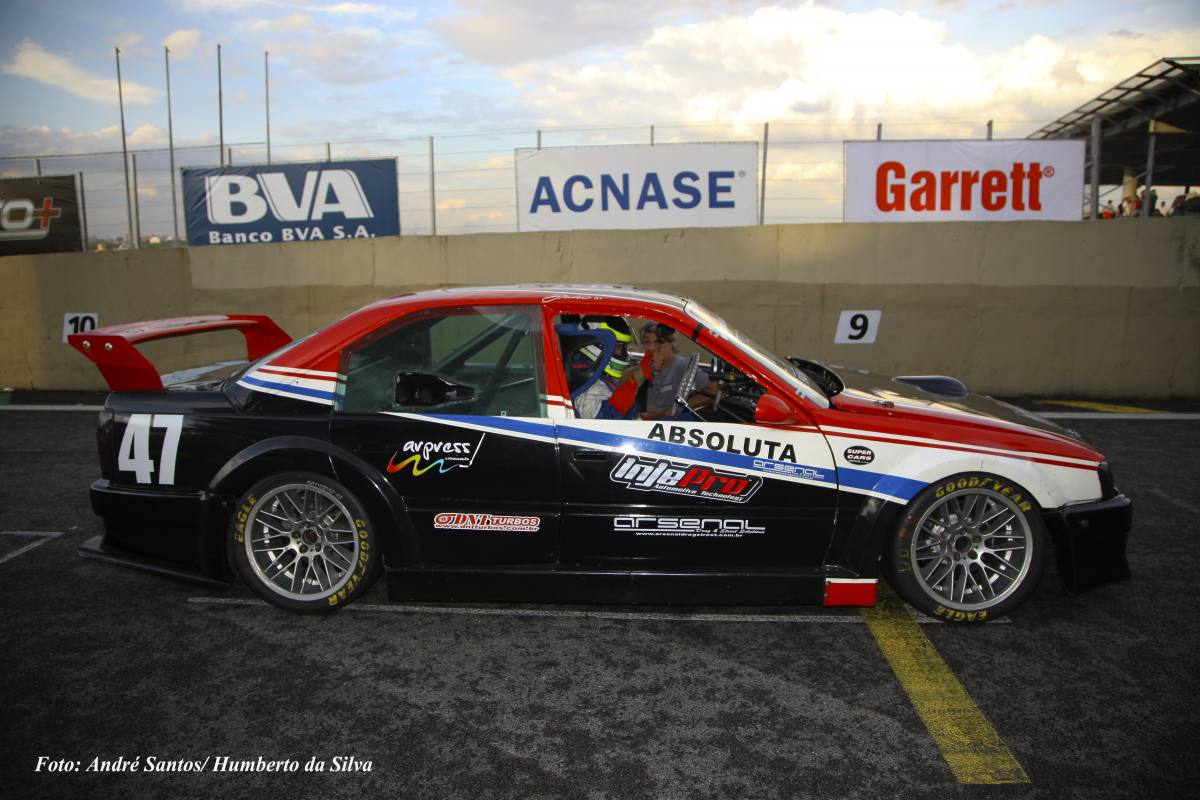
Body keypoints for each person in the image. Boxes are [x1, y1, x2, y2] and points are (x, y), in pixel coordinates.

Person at [571, 317, 653, 419]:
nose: (622, 353)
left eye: (624, 348)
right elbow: (601, 421)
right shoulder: (584, 379)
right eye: (619, 347)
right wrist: (632, 384)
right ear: (596, 343)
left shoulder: (597, 371)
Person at [641, 326, 711, 420]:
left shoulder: (682, 366)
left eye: (659, 342)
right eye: (647, 342)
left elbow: (713, 390)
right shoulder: (647, 367)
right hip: (647, 424)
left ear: (670, 343)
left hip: (671, 425)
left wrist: (672, 411)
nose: (652, 347)